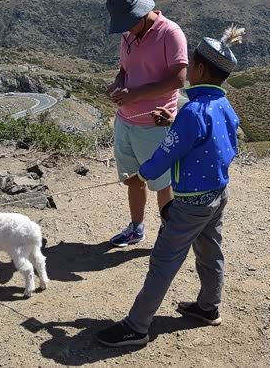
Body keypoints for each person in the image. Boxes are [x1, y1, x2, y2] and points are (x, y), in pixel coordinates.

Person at [96, 25, 245, 347]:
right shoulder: (223, 106)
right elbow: (217, 140)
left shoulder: (192, 111)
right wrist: (174, 122)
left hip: (190, 202)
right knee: (210, 251)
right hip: (218, 194)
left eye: (191, 66)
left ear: (200, 69)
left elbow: (167, 152)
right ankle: (208, 307)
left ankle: (136, 327)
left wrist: (141, 174)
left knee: (164, 261)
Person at [105, 0, 188, 247]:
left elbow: (179, 79)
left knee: (162, 184)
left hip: (155, 123)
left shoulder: (170, 33)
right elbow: (124, 70)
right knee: (132, 179)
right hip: (125, 121)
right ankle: (136, 228)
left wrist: (135, 94)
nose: (127, 30)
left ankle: (169, 235)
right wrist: (118, 84)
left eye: (129, 24)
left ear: (141, 13)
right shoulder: (129, 34)